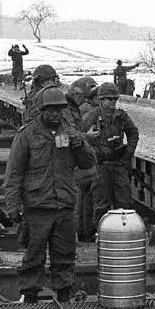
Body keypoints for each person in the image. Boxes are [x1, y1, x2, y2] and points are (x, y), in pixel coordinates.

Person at [3, 86, 95, 303]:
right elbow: (14, 172)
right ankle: (30, 298)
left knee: (65, 254)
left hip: (64, 205)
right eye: (51, 110)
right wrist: (12, 205)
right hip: (37, 207)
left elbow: (88, 163)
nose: (56, 114)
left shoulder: (70, 132)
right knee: (34, 255)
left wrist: (80, 144)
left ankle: (64, 296)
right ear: (42, 110)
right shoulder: (27, 134)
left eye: (59, 110)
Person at [84, 83, 139, 223]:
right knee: (101, 204)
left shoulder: (121, 116)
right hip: (100, 166)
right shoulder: (91, 117)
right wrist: (91, 142)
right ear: (101, 99)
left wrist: (128, 152)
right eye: (110, 99)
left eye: (115, 99)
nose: (113, 102)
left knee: (124, 203)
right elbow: (81, 138)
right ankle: (99, 231)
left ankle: (122, 231)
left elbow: (133, 132)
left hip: (118, 163)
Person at [65, 78, 100, 242]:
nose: (85, 100)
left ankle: (82, 234)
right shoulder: (67, 109)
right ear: (75, 93)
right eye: (83, 96)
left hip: (81, 162)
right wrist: (88, 136)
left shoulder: (74, 108)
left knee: (83, 200)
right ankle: (75, 236)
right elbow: (69, 134)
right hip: (74, 162)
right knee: (77, 201)